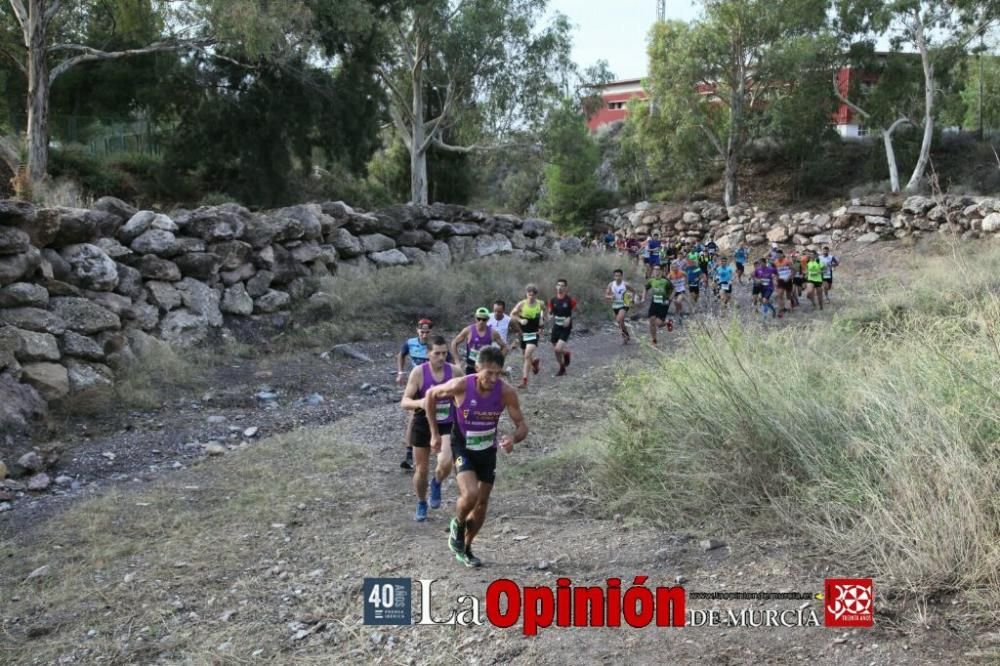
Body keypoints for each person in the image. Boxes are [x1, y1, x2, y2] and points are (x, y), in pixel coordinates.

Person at [426, 347, 528, 568]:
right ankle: (458, 523)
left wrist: (513, 438)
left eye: (498, 373)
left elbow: (522, 425)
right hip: (462, 445)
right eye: (488, 373)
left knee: (481, 504)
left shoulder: (506, 392)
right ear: (477, 368)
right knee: (470, 494)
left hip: (487, 449)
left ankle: (466, 546)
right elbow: (430, 395)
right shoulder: (461, 385)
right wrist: (434, 433)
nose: (493, 379)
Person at [400, 336, 464, 521]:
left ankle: (436, 482)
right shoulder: (418, 373)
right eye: (437, 353)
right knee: (421, 470)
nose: (441, 357)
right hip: (423, 422)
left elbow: (466, 394)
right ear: (428, 354)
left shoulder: (455, 372)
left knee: (445, 463)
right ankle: (421, 502)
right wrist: (422, 402)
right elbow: (404, 401)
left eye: (444, 353)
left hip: (447, 423)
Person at [396, 318, 434, 471]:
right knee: (412, 417)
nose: (424, 335)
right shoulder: (410, 343)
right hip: (415, 385)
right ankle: (409, 454)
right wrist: (400, 372)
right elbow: (400, 355)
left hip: (432, 385)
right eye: (422, 332)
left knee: (434, 416)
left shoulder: (434, 345)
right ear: (417, 330)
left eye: (427, 332)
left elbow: (448, 360)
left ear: (431, 332)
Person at [451, 308, 508, 375]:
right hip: (471, 366)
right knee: (471, 385)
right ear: (475, 318)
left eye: (484, 319)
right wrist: (457, 361)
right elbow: (454, 343)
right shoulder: (468, 330)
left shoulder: (492, 333)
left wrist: (497, 361)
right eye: (479, 318)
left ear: (488, 319)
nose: (481, 321)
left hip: (485, 367)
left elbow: (505, 347)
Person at [510, 284, 545, 389]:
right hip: (523, 333)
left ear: (536, 295)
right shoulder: (521, 304)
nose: (531, 297)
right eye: (529, 295)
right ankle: (534, 363)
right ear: (526, 294)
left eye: (533, 295)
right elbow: (512, 315)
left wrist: (542, 322)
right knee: (525, 355)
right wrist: (520, 320)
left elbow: (545, 314)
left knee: (526, 355)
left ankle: (524, 381)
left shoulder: (540, 304)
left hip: (534, 333)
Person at [548, 278, 577, 376]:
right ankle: (562, 367)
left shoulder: (570, 300)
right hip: (556, 326)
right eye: (558, 285)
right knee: (556, 349)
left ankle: (566, 354)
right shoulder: (553, 300)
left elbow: (574, 312)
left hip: (566, 328)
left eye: (562, 286)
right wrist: (549, 316)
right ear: (556, 287)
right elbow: (550, 312)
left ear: (565, 288)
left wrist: (569, 318)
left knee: (557, 349)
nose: (560, 287)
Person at [642, 264, 674, 345]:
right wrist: (643, 298)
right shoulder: (651, 280)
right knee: (651, 320)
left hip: (663, 304)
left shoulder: (665, 281)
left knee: (659, 324)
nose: (656, 271)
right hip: (654, 303)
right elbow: (645, 288)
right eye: (655, 269)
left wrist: (670, 298)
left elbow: (674, 290)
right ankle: (654, 340)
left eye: (658, 269)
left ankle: (668, 322)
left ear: (661, 271)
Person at [605, 269, 637, 344]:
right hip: (615, 304)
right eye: (616, 276)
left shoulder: (625, 284)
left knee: (619, 319)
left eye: (619, 276)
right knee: (620, 322)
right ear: (614, 276)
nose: (618, 277)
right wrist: (610, 297)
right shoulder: (611, 284)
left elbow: (633, 291)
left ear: (622, 276)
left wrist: (632, 300)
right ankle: (626, 336)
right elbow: (606, 295)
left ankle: (625, 336)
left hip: (625, 303)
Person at [773, 249, 795, 316]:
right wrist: (775, 279)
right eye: (777, 255)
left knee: (788, 296)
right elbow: (775, 272)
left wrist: (789, 277)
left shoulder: (787, 261)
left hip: (788, 280)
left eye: (779, 254)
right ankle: (782, 309)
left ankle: (791, 306)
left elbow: (794, 270)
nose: (778, 256)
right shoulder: (775, 262)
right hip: (780, 280)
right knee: (779, 294)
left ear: (782, 255)